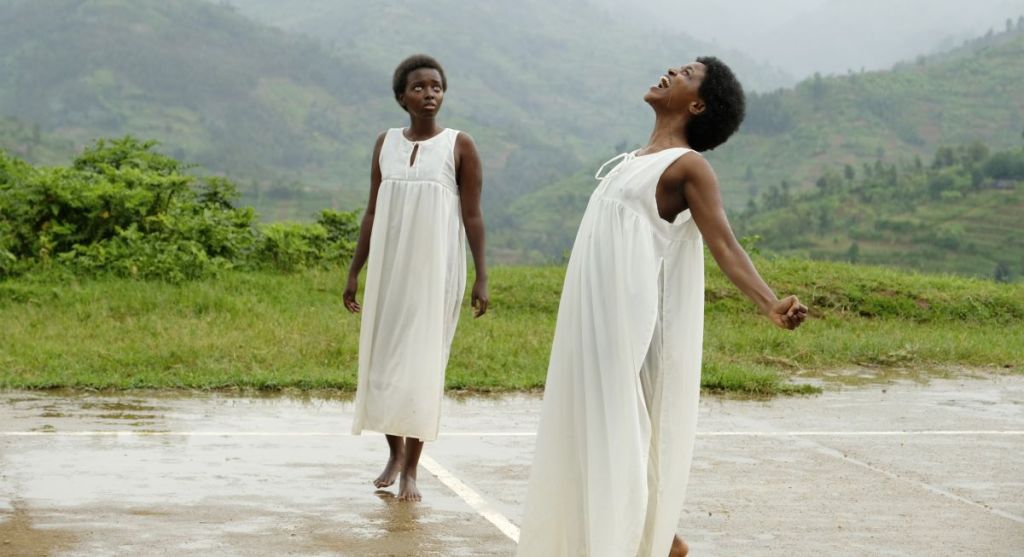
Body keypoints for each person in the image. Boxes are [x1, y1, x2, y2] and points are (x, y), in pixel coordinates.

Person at [515, 57, 807, 556]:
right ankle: (657, 540)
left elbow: (726, 244)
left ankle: (639, 542)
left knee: (621, 430)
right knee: (590, 428)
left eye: (688, 73)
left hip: (628, 328)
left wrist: (768, 302)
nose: (672, 70)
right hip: (592, 320)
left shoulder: (689, 166)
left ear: (696, 104)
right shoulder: (634, 159)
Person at [344, 54, 489, 502]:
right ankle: (392, 451)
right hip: (389, 269)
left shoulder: (459, 145)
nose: (430, 94)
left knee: (422, 367)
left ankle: (412, 469)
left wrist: (482, 276)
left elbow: (473, 216)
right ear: (401, 97)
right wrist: (355, 271)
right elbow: (371, 211)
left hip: (436, 270)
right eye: (420, 87)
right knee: (383, 363)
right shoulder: (384, 143)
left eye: (437, 87)